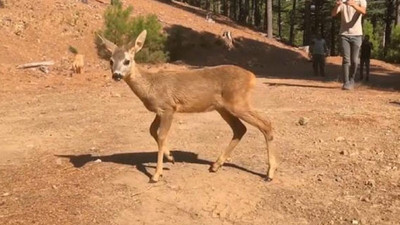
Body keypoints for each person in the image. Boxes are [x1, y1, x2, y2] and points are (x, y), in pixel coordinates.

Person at [332, 0, 367, 90]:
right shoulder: (342, 1)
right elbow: (333, 14)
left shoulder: (361, 1)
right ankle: (346, 82)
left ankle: (352, 80)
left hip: (357, 34)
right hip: (344, 34)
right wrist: (337, 6)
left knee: (355, 60)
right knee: (346, 59)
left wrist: (354, 5)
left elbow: (363, 12)